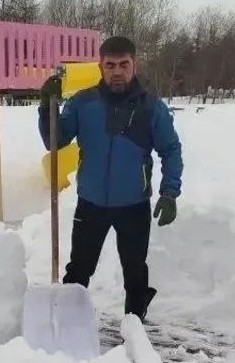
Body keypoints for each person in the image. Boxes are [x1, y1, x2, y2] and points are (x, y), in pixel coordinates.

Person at [38, 36, 183, 319]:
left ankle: (135, 323)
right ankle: (68, 322)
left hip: (133, 204)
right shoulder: (83, 103)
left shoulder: (152, 108)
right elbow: (53, 141)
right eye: (110, 65)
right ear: (101, 66)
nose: (117, 71)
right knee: (79, 267)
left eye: (124, 64)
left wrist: (169, 192)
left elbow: (171, 150)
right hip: (91, 203)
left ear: (134, 65)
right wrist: (47, 106)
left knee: (135, 270)